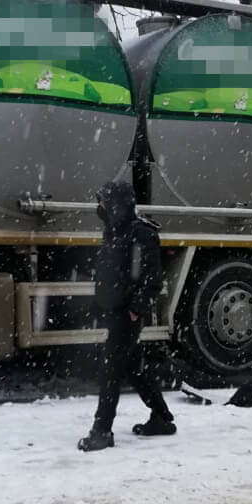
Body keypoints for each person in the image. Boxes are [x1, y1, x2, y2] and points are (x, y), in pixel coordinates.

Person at [79, 181, 175, 452]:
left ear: (120, 205)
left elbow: (152, 279)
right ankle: (162, 418)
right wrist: (98, 305)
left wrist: (136, 309)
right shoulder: (112, 230)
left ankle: (102, 431)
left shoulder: (142, 233)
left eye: (106, 202)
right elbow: (107, 272)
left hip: (127, 314)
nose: (102, 207)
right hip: (114, 310)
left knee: (110, 370)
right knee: (133, 367)